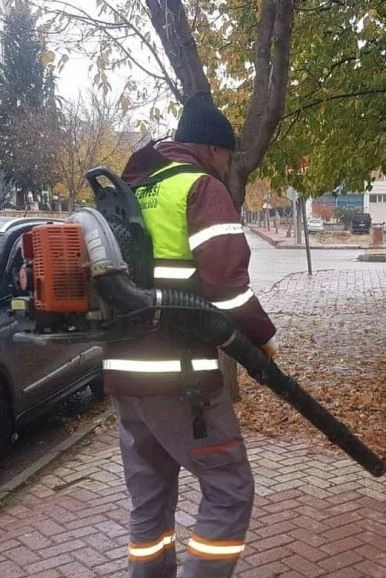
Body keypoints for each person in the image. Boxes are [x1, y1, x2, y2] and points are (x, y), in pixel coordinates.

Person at [104, 93, 278, 578]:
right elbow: (226, 289)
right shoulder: (201, 187)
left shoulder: (135, 187)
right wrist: (263, 338)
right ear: (213, 149)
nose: (227, 165)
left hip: (123, 375)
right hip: (181, 380)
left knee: (149, 502)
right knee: (229, 489)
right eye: (227, 155)